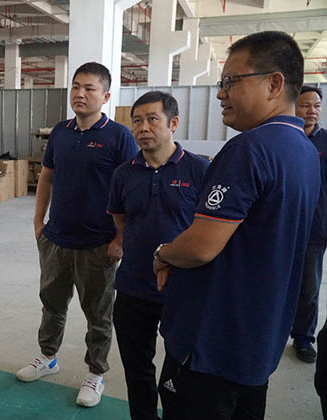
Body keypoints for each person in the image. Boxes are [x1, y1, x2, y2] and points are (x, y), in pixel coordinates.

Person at [152, 31, 320, 420]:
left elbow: (200, 247)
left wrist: (163, 254)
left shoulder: (249, 149)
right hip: (258, 340)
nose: (220, 94)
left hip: (213, 344)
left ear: (274, 83)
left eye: (231, 81)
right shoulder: (304, 151)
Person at [16, 62, 137, 407]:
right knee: (52, 305)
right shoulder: (60, 132)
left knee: (98, 314)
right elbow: (47, 176)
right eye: (76, 87)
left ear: (106, 96)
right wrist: (38, 222)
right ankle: (48, 357)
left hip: (99, 244)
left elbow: (132, 190)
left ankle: (95, 373)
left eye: (89, 88)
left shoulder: (119, 137)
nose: (80, 94)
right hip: (56, 239)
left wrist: (121, 239)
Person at [107, 91, 209, 420]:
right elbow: (120, 219)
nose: (143, 127)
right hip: (133, 286)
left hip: (183, 288)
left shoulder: (199, 170)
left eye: (152, 119)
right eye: (137, 121)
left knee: (181, 371)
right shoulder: (123, 173)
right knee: (137, 368)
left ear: (173, 123)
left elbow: (208, 228)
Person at [291, 85, 327, 363]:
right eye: (305, 105)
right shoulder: (283, 139)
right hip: (280, 228)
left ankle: (303, 337)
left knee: (308, 289)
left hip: (314, 229)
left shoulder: (325, 143)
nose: (312, 111)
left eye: (316, 106)